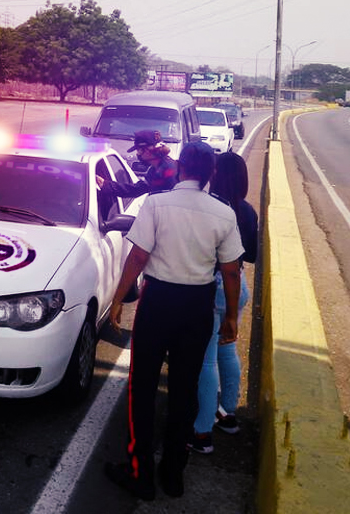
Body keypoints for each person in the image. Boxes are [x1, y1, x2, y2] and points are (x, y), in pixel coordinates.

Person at [102, 142, 244, 501]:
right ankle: (173, 474)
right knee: (185, 388)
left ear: (180, 168)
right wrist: (230, 317)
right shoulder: (224, 212)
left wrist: (119, 299)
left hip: (159, 301)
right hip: (197, 306)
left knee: (142, 387)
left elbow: (137, 257)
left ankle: (140, 473)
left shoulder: (156, 203)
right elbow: (230, 272)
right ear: (211, 172)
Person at [189, 151, 259, 454]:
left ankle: (202, 433)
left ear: (216, 174)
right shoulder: (247, 210)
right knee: (227, 350)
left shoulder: (211, 208)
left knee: (206, 361)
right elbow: (252, 255)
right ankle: (227, 414)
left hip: (214, 286)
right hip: (239, 285)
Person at [97, 130, 178, 198]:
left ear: (147, 151)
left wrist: (106, 185)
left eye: (138, 150)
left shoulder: (168, 171)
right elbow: (137, 189)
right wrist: (105, 185)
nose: (137, 154)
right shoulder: (155, 169)